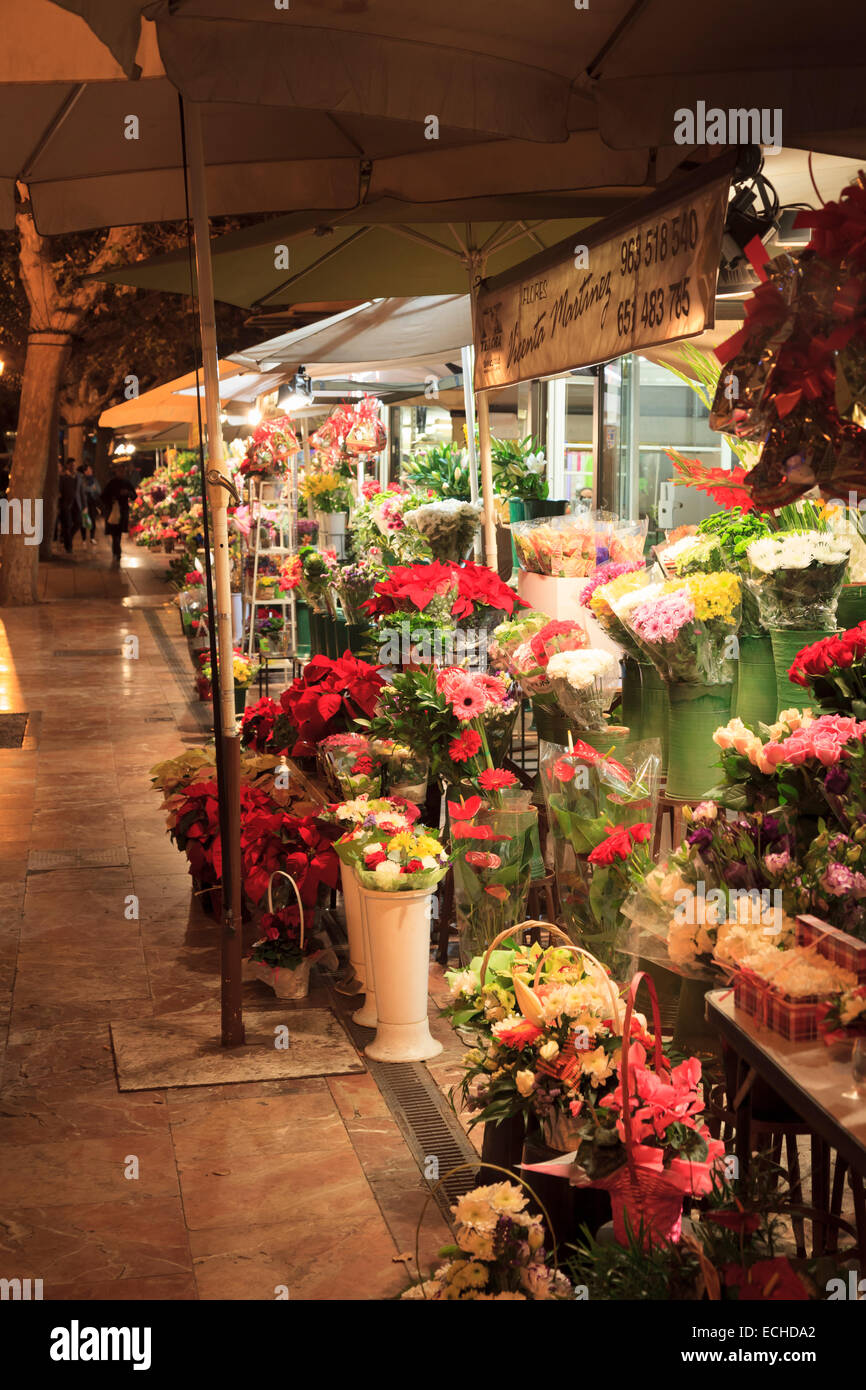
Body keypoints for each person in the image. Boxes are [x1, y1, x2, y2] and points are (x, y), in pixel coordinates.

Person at [101, 460, 137, 567]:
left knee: (119, 533)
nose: (121, 473)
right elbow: (103, 496)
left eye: (123, 471)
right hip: (112, 511)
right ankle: (117, 551)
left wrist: (128, 493)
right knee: (114, 532)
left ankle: (117, 551)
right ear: (116, 472)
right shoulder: (111, 483)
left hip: (123, 511)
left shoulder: (127, 483)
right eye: (119, 471)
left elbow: (134, 496)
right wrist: (111, 500)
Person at [58, 459, 84, 553]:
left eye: (74, 465)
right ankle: (68, 546)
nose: (73, 467)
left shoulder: (79, 477)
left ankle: (67, 537)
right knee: (67, 525)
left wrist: (84, 505)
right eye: (71, 465)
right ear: (67, 465)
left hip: (77, 504)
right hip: (66, 504)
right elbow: (59, 491)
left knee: (78, 523)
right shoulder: (63, 477)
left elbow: (81, 492)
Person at [78, 462, 101, 547]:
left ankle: (92, 537)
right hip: (84, 502)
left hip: (92, 502)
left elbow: (98, 490)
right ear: (85, 471)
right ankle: (83, 538)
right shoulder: (81, 479)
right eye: (89, 469)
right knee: (84, 521)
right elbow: (83, 489)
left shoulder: (94, 479)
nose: (91, 470)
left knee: (93, 520)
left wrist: (90, 489)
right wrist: (92, 488)